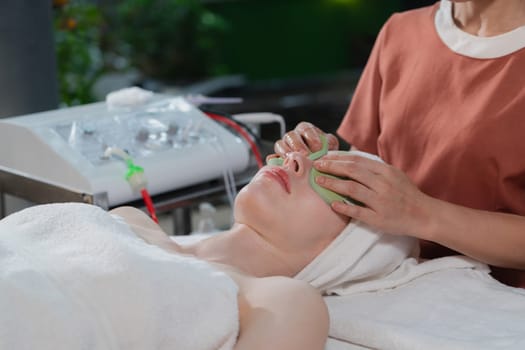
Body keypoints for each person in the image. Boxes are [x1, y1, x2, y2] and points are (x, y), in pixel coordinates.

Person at [272, 0, 525, 287]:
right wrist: (320, 167)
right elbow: (365, 179)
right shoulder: (400, 32)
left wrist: (421, 213)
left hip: (503, 307)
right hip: (397, 288)